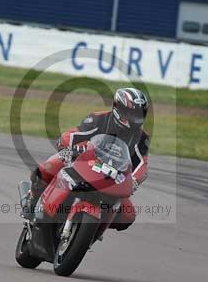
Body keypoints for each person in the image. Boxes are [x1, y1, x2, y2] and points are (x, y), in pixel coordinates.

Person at [24, 88, 150, 231]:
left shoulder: (142, 138)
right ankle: (32, 200)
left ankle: (91, 230)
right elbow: (72, 135)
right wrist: (67, 148)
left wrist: (133, 180)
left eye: (140, 113)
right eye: (132, 113)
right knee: (49, 167)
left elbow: (142, 164)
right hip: (82, 163)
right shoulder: (98, 119)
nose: (136, 118)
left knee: (128, 216)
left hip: (112, 178)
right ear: (118, 108)